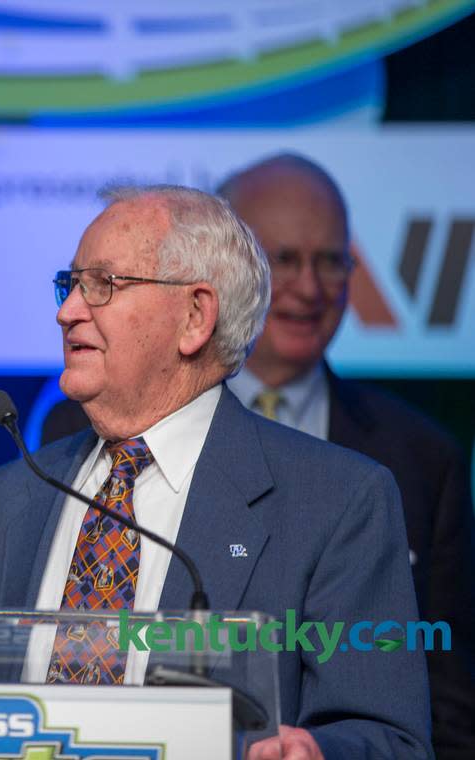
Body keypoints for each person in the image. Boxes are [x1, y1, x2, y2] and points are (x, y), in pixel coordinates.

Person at [0, 185, 431, 758]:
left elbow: (390, 739)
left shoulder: (338, 501)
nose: (67, 312)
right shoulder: (18, 493)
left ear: (195, 316)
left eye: (104, 285)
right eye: (69, 286)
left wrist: (315, 753)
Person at [218, 153, 475, 759]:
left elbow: (448, 701)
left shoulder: (421, 459)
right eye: (284, 259)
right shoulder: (129, 432)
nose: (310, 287)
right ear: (227, 271)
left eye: (331, 260)